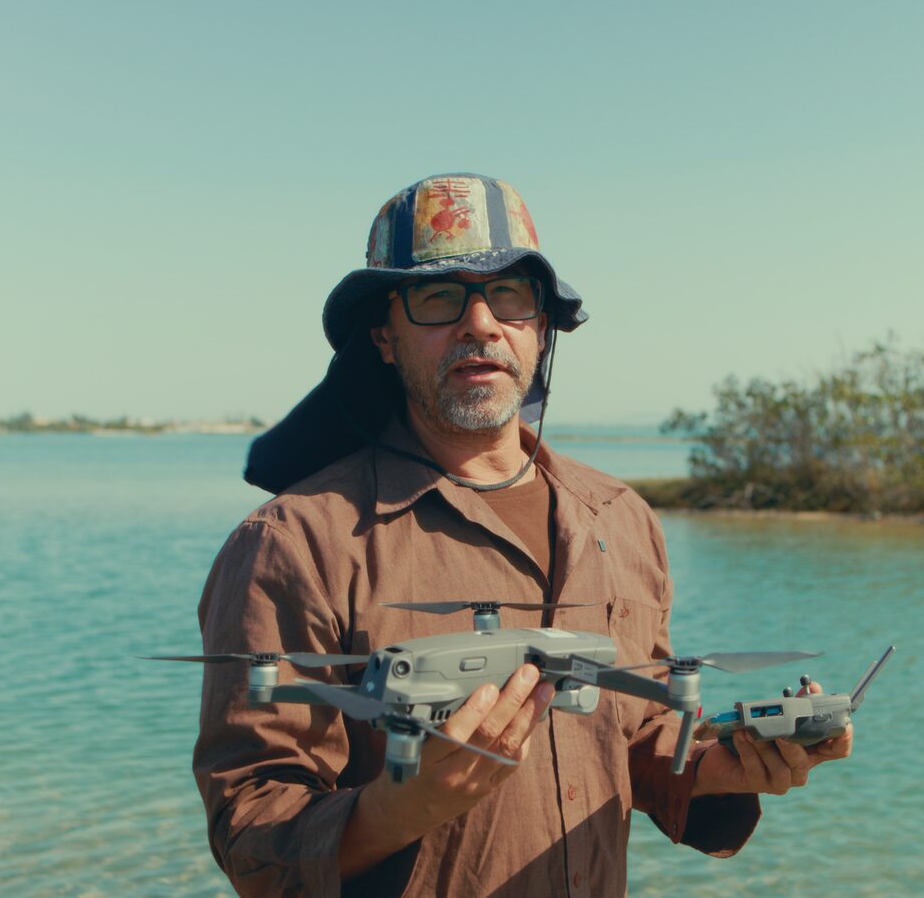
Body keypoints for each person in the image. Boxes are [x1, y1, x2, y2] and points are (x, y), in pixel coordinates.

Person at [194, 174, 853, 896]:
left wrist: (720, 766)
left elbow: (633, 734)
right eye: (439, 297)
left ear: (541, 328)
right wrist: (401, 809)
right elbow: (252, 829)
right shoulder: (295, 543)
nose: (480, 323)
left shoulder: (620, 517)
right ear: (383, 336)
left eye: (509, 294)